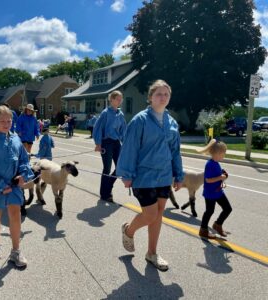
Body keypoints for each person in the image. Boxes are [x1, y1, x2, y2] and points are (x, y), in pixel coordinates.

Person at [117, 80, 183, 271]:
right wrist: (126, 174)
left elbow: (175, 151)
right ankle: (129, 230)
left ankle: (152, 253)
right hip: (143, 175)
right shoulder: (140, 120)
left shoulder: (172, 123)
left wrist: (178, 175)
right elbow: (130, 147)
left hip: (164, 175)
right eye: (159, 94)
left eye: (166, 94)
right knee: (150, 214)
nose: (163, 97)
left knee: (159, 213)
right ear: (150, 97)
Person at [0, 105, 33, 267]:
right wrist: (1, 186)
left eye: (9, 121)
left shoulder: (16, 138)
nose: (6, 124)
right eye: (2, 121)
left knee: (15, 214)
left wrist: (23, 174)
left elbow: (24, 160)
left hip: (14, 186)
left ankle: (16, 251)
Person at [93, 90, 127, 202]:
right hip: (106, 142)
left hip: (116, 142)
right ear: (111, 99)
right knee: (107, 169)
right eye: (117, 99)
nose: (119, 101)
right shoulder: (105, 113)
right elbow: (97, 128)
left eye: (120, 99)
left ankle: (109, 186)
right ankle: (104, 194)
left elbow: (123, 130)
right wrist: (98, 143)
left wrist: (126, 142)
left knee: (120, 167)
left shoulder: (120, 114)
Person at [198, 139, 232, 239]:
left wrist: (223, 173)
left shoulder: (216, 163)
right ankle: (203, 230)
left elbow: (216, 172)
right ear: (217, 153)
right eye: (223, 153)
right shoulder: (209, 164)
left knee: (227, 209)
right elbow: (208, 180)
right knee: (209, 211)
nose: (224, 155)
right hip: (210, 193)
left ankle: (217, 224)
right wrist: (221, 177)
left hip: (218, 191)